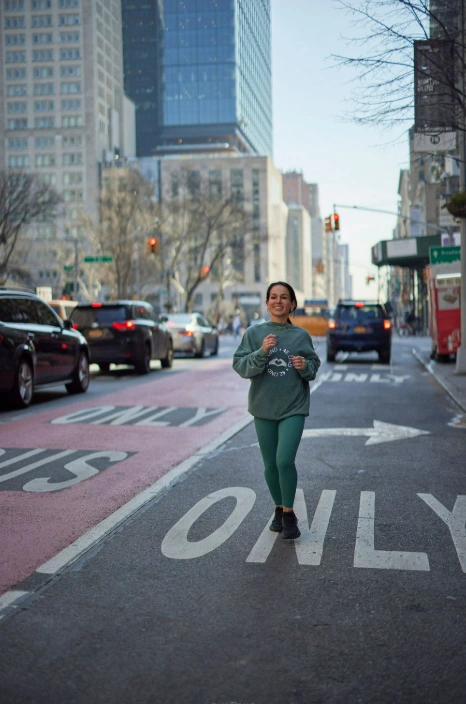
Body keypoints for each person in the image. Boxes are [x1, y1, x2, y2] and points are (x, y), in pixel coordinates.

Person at [232, 281, 321, 540]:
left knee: (284, 460)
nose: (278, 301)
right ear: (267, 303)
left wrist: (305, 364)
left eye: (284, 297)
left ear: (292, 304)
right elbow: (241, 366)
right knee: (270, 465)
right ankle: (279, 509)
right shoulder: (254, 333)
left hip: (293, 406)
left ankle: (290, 514)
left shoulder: (300, 335)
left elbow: (313, 367)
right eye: (273, 297)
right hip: (263, 407)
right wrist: (262, 352)